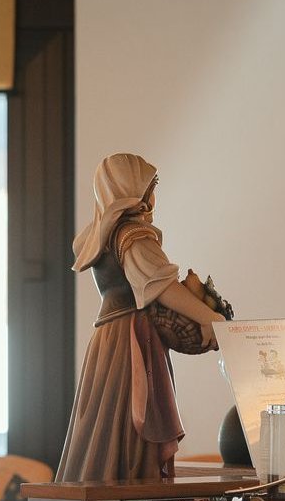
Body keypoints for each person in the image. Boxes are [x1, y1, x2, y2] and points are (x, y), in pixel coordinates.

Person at [57, 153, 229, 482]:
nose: (155, 195)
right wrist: (211, 318)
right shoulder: (132, 234)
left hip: (108, 338)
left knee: (105, 425)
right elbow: (161, 285)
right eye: (153, 186)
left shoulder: (103, 233)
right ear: (136, 189)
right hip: (130, 341)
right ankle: (128, 497)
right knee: (130, 431)